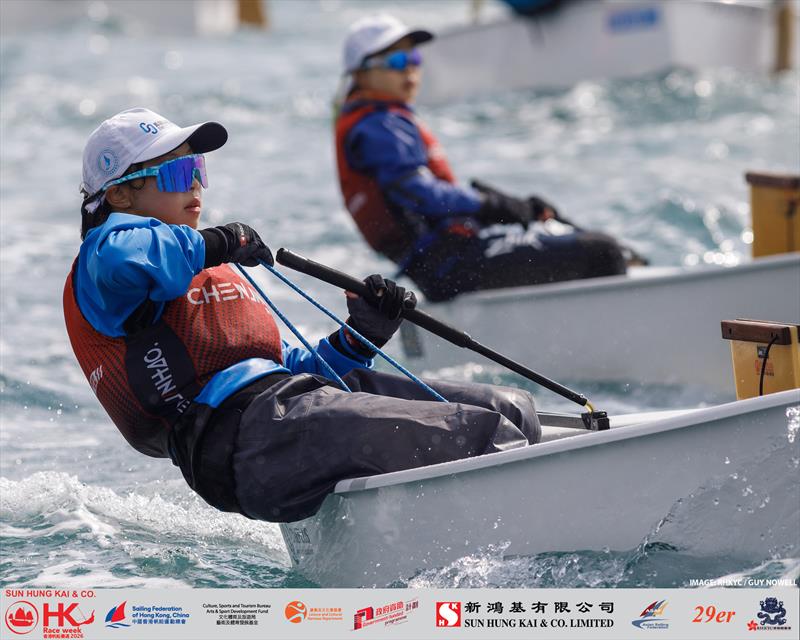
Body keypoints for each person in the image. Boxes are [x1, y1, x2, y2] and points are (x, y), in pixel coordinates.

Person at [64, 108, 541, 523]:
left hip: (284, 407)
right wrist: (222, 241)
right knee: (482, 434)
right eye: (174, 173)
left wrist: (360, 336)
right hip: (238, 439)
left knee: (510, 409)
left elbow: (294, 369)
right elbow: (121, 253)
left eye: (197, 169)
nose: (193, 183)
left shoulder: (192, 260)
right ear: (121, 196)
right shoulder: (108, 261)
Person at [335, 15, 630, 302]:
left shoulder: (379, 121)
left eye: (415, 61)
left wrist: (506, 207)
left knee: (568, 235)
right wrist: (490, 204)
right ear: (361, 74)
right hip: (450, 265)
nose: (410, 71)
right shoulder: (379, 126)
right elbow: (416, 193)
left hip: (447, 260)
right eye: (397, 62)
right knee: (604, 252)